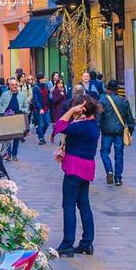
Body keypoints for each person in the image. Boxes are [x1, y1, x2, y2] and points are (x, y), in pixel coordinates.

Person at [53, 96, 100, 256]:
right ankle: (87, 242)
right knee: (84, 205)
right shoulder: (92, 125)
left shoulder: (83, 126)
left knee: (68, 205)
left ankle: (67, 243)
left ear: (83, 108)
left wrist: (72, 110)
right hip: (86, 168)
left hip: (75, 167)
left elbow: (59, 125)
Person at [98, 80, 135, 186]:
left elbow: (98, 117)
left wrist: (96, 129)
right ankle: (118, 178)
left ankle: (109, 170)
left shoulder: (103, 100)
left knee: (104, 152)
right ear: (117, 90)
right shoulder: (124, 101)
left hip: (106, 131)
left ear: (108, 89)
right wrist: (131, 131)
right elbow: (129, 117)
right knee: (119, 154)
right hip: (119, 131)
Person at [0, 78, 25, 161]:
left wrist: (24, 112)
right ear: (9, 86)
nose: (14, 86)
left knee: (17, 137)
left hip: (18, 118)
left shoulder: (22, 95)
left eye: (16, 84)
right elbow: (0, 104)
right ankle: (8, 154)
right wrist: (2, 113)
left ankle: (14, 155)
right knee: (8, 137)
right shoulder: (4, 94)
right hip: (7, 118)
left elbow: (26, 106)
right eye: (12, 85)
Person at [31, 75, 51, 145]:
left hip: (46, 107)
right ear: (39, 79)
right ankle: (41, 138)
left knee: (47, 123)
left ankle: (40, 134)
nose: (44, 79)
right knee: (40, 123)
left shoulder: (45, 85)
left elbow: (48, 95)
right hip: (39, 109)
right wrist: (40, 108)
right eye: (43, 78)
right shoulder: (35, 88)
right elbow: (36, 99)